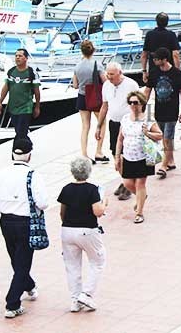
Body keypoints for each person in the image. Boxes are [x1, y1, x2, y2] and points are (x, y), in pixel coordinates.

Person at [0, 137, 47, 319]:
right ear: (29, 155)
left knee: (16, 260)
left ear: (12, 153)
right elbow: (43, 203)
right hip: (26, 223)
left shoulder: (0, 175)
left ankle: (29, 285)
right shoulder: (34, 175)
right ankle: (12, 303)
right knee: (23, 262)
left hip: (6, 222)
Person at [58, 157, 107, 313]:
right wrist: (104, 202)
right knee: (98, 261)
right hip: (88, 231)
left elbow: (62, 213)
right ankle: (87, 294)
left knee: (72, 266)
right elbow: (98, 212)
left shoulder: (66, 189)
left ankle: (75, 300)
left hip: (67, 230)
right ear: (88, 171)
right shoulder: (93, 189)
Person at [115, 91, 162, 224]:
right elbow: (120, 139)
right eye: (130, 102)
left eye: (136, 102)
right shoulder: (125, 119)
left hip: (143, 157)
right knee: (127, 183)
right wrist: (117, 157)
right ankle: (142, 197)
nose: (133, 105)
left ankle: (139, 212)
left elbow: (160, 135)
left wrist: (148, 133)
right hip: (128, 157)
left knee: (140, 184)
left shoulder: (148, 119)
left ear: (142, 104)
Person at [97, 62, 140, 201]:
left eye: (112, 75)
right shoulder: (106, 85)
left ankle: (128, 184)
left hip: (128, 124)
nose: (109, 77)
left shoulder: (131, 85)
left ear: (120, 73)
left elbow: (139, 105)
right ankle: (125, 180)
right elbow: (105, 105)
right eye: (107, 74)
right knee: (115, 152)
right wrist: (98, 125)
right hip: (114, 123)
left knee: (126, 154)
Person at [150, 47, 181, 178]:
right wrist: (140, 105)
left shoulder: (177, 73)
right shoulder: (154, 73)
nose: (154, 61)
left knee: (166, 138)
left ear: (164, 60)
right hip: (159, 111)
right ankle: (171, 161)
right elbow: (148, 90)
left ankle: (163, 167)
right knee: (168, 139)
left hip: (172, 111)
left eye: (156, 59)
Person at [72, 40, 108, 163]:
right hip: (95, 96)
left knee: (85, 126)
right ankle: (98, 151)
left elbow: (75, 85)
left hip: (82, 96)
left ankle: (84, 153)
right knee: (101, 123)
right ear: (93, 50)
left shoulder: (77, 66)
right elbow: (105, 81)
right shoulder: (97, 65)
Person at [0, 48, 41, 140]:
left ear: (26, 58)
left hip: (25, 108)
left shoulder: (31, 73)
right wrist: (0, 102)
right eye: (16, 56)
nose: (17, 58)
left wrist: (37, 107)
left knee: (21, 132)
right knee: (18, 131)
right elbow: (6, 87)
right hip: (13, 108)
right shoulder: (11, 71)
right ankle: (26, 147)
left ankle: (20, 150)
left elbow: (37, 91)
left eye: (20, 56)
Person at [141, 12, 181, 98]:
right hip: (168, 67)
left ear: (156, 22)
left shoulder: (149, 34)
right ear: (167, 23)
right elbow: (175, 54)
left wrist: (144, 71)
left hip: (153, 67)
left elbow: (144, 55)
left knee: (148, 89)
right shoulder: (171, 35)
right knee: (169, 91)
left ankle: (142, 108)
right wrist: (177, 71)